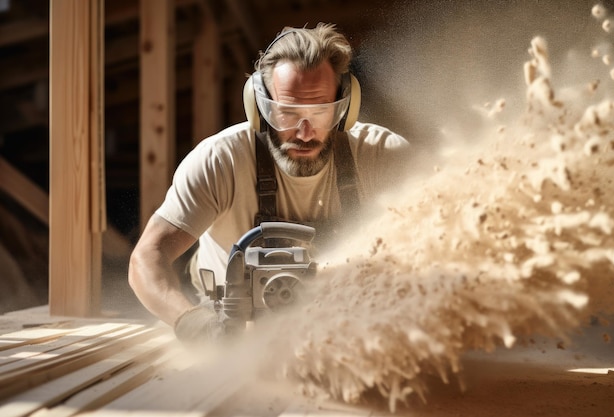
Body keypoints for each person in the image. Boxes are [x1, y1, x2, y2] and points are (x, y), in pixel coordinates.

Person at [128, 23, 410, 343]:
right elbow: (148, 256)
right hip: (231, 328)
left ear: (346, 105)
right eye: (287, 113)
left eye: (320, 112)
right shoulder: (220, 160)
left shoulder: (383, 158)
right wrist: (192, 322)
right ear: (259, 105)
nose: (304, 133)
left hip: (347, 319)